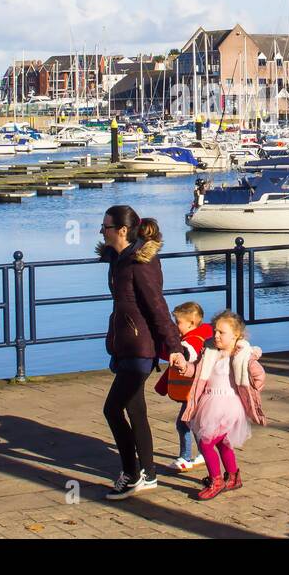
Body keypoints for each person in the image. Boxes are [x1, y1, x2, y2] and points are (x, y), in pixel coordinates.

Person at [96, 205, 184, 500]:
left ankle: (131, 474)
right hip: (124, 344)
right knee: (135, 410)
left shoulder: (140, 263)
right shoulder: (119, 259)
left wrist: (174, 347)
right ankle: (148, 473)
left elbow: (157, 306)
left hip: (139, 347)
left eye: (105, 227)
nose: (101, 231)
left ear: (122, 230)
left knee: (112, 409)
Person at [176, 310, 267, 501]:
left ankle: (216, 480)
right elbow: (197, 370)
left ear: (235, 335)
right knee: (223, 443)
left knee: (206, 442)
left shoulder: (243, 356)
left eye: (221, 333)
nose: (216, 336)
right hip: (210, 402)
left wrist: (253, 389)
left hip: (228, 405)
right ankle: (233, 476)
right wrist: (185, 367)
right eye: (215, 331)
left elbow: (259, 375)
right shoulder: (209, 352)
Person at [153, 301, 214, 472]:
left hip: (193, 390)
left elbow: (188, 352)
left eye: (178, 323)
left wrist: (178, 353)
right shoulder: (202, 335)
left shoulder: (193, 340)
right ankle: (203, 453)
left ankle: (186, 457)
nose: (176, 326)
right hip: (195, 390)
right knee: (193, 423)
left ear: (192, 323)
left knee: (183, 423)